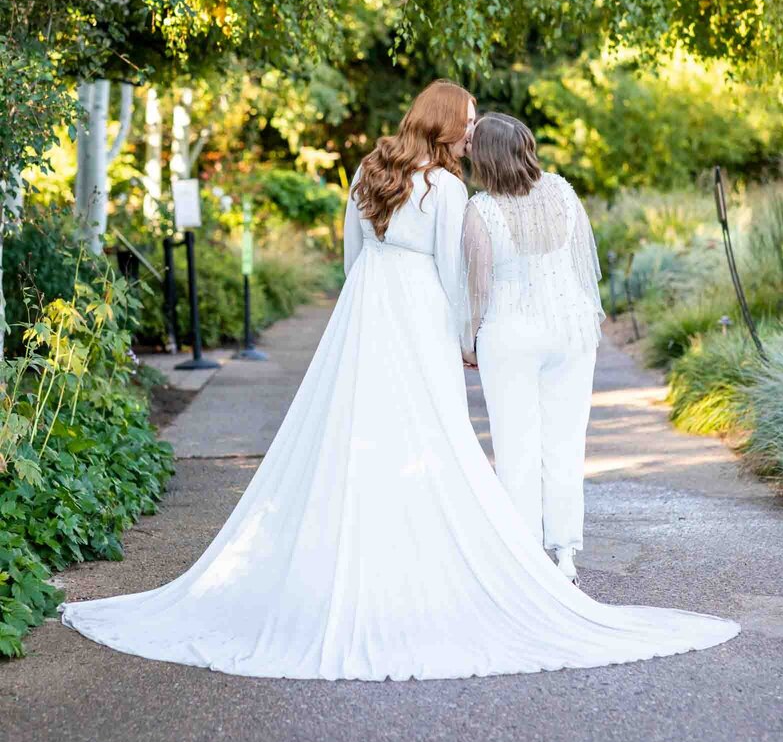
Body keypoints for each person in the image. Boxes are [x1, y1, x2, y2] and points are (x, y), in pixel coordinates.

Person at [61, 81, 739, 680]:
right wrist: (463, 337)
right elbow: (450, 270)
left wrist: (364, 304)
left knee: (355, 424)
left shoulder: (369, 169)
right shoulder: (447, 188)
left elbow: (352, 255)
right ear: (443, 123)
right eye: (466, 121)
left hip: (366, 307)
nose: (471, 132)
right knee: (432, 428)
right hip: (418, 308)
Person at [461, 113, 602, 587]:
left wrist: (469, 340)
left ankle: (525, 555)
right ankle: (565, 553)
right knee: (566, 441)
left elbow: (478, 288)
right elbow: (582, 264)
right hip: (571, 329)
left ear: (485, 158)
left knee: (515, 443)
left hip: (511, 333)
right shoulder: (563, 191)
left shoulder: (480, 210)